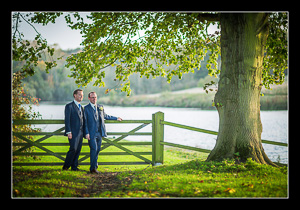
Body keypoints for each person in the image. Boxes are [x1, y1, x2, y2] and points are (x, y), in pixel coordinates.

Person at [84, 91, 122, 174]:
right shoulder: (86, 108)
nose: (94, 99)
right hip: (91, 133)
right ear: (89, 98)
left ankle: (94, 166)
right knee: (93, 149)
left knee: (98, 150)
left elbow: (106, 116)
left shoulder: (100, 107)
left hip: (99, 133)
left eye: (95, 97)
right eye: (92, 97)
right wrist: (86, 133)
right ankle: (93, 168)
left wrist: (116, 118)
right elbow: (85, 122)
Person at [62, 89, 87, 171]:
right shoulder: (69, 106)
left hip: (80, 133)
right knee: (73, 149)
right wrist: (68, 132)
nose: (81, 96)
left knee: (78, 150)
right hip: (72, 133)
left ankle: (74, 167)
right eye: (79, 94)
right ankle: (66, 166)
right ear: (75, 95)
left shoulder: (81, 107)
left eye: (82, 95)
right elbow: (67, 120)